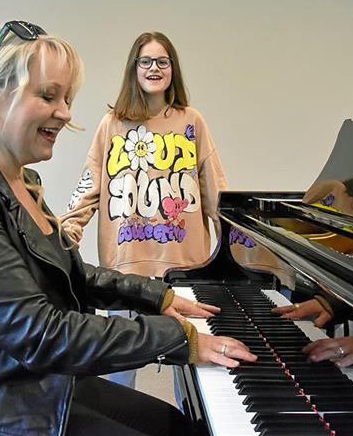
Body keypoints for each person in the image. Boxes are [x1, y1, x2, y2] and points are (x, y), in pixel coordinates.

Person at [0, 21, 256, 436]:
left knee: (176, 426)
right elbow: (39, 331)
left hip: (32, 380)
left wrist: (158, 296)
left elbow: (73, 274)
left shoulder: (19, 179)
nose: (67, 113)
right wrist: (179, 339)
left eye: (67, 98)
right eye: (49, 96)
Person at [61, 31, 228, 388]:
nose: (154, 68)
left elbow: (216, 191)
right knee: (119, 368)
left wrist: (239, 250)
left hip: (184, 266)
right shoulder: (113, 123)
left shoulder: (191, 121)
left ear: (173, 69)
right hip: (126, 266)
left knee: (197, 367)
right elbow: (89, 185)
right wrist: (62, 236)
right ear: (134, 69)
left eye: (162, 61)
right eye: (146, 61)